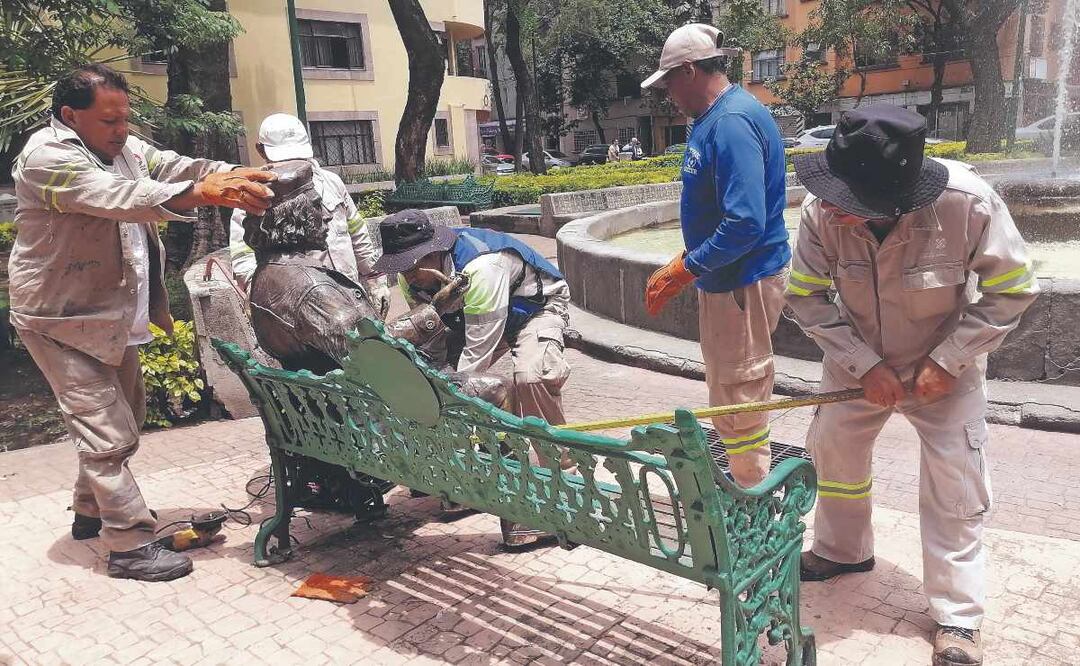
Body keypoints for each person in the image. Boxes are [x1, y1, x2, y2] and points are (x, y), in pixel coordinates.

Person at [787, 105, 1038, 666]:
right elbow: (803, 294)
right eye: (830, 190)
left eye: (847, 199)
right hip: (856, 364)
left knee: (957, 481)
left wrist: (949, 360)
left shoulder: (968, 204)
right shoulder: (820, 211)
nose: (831, 205)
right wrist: (862, 363)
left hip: (944, 370)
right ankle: (842, 550)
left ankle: (958, 616)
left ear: (895, 198)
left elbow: (1014, 288)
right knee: (835, 451)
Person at [7, 64, 275, 581]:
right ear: (71, 116)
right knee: (106, 430)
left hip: (109, 312)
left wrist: (238, 174)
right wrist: (203, 193)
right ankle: (128, 544)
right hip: (59, 317)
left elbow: (174, 165)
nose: (121, 129)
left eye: (125, 118)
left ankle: (90, 512)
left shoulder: (123, 147)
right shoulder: (47, 158)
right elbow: (119, 197)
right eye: (109, 121)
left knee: (126, 413)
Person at [240, 160, 511, 521]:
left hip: (329, 412)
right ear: (295, 218)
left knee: (444, 367)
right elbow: (371, 348)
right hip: (366, 418)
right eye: (317, 207)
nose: (327, 216)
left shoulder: (267, 277)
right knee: (495, 388)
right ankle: (501, 502)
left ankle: (445, 477)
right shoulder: (311, 289)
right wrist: (434, 310)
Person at [640, 24, 790, 488]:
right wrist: (690, 260)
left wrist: (686, 268)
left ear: (689, 70)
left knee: (740, 397)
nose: (667, 94)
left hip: (741, 282)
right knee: (729, 389)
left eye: (669, 81)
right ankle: (746, 481)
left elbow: (745, 223)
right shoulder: (716, 118)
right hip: (726, 279)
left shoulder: (731, 123)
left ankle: (751, 493)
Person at [373, 211, 572, 547]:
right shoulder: (411, 279)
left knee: (530, 378)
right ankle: (463, 480)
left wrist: (441, 403)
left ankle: (563, 481)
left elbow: (475, 360)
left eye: (411, 265)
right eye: (400, 267)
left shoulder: (482, 269)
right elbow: (433, 345)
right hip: (475, 317)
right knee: (434, 377)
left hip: (534, 310)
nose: (406, 275)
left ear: (432, 252)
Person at [229, 113, 390, 317]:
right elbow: (243, 257)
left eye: (297, 157)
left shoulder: (331, 183)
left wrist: (375, 279)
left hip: (349, 290)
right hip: (302, 307)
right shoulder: (253, 195)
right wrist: (259, 294)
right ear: (260, 150)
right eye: (284, 158)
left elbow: (357, 232)